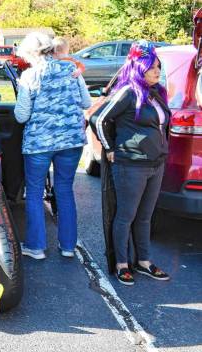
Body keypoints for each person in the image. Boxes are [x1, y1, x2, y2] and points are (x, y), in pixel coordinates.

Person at [90, 40, 171, 285]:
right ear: (138, 69)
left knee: (145, 216)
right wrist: (109, 148)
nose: (157, 71)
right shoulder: (127, 92)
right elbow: (98, 118)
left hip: (156, 163)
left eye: (158, 67)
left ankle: (143, 261)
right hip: (130, 165)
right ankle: (122, 263)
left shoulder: (157, 93)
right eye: (151, 68)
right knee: (125, 216)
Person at [14, 31, 91, 260]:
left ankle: (36, 247)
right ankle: (68, 246)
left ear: (32, 53)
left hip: (39, 143)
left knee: (35, 192)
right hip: (71, 141)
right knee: (65, 190)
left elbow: (21, 116)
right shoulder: (72, 70)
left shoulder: (29, 76)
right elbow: (86, 102)